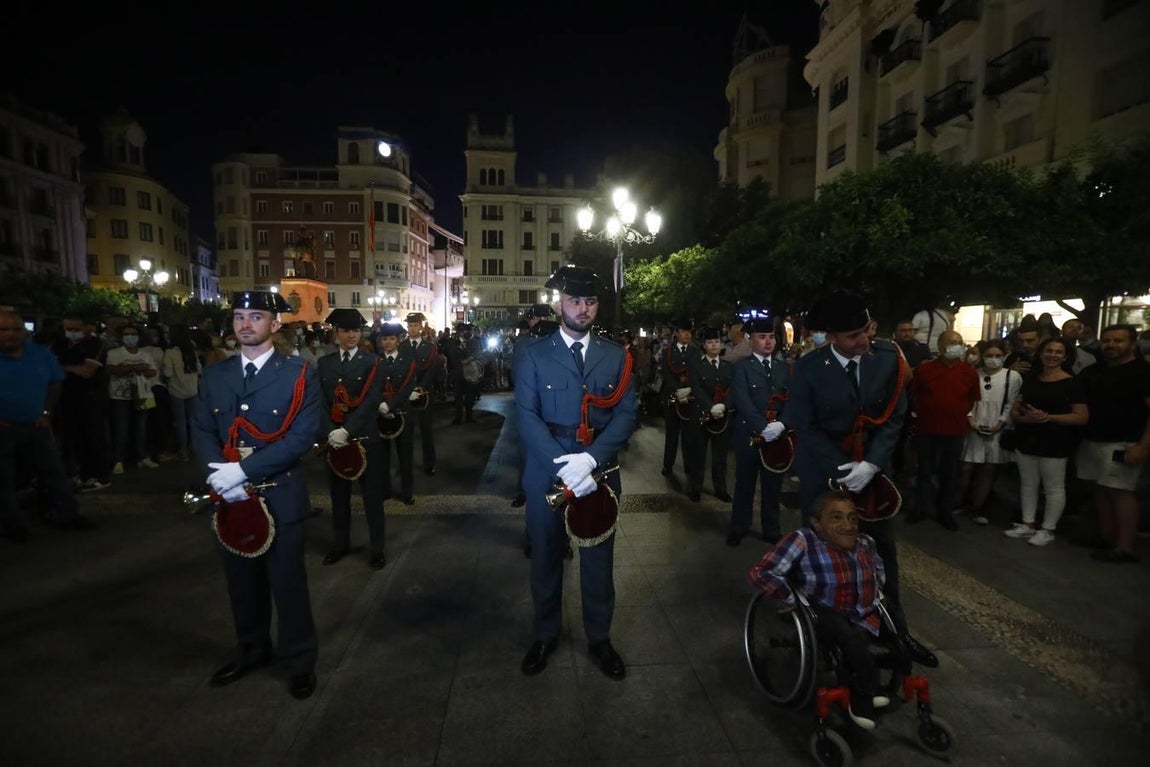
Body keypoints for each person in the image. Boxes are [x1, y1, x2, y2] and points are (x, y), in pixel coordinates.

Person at [786, 291, 937, 667]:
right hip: (824, 471)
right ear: (832, 337)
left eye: (866, 331)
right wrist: (843, 468)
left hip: (871, 472)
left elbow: (896, 415)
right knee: (823, 555)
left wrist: (871, 464)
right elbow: (803, 424)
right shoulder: (808, 368)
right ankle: (828, 636)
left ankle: (896, 634)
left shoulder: (886, 359)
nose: (864, 341)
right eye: (853, 336)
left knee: (882, 552)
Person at [190, 291, 321, 701]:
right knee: (241, 582)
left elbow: (302, 436)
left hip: (278, 494)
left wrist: (242, 471)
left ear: (275, 325)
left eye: (256, 316)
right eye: (240, 316)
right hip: (229, 495)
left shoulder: (299, 373)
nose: (245, 324)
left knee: (288, 584)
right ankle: (252, 650)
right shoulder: (214, 376)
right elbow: (200, 430)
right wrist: (220, 477)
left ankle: (300, 660)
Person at [515, 265, 638, 681]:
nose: (582, 309)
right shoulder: (533, 353)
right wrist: (564, 464)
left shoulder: (615, 355)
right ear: (558, 304)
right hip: (548, 467)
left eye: (589, 301)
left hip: (599, 469)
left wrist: (591, 459)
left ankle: (600, 639)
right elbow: (526, 416)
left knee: (598, 560)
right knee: (546, 557)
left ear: (597, 306)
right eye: (574, 301)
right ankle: (546, 634)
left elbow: (626, 414)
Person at [749, 489, 890, 730]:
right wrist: (788, 598)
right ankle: (863, 696)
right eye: (836, 518)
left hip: (860, 612)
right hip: (820, 610)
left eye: (853, 518)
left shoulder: (866, 543)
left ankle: (858, 683)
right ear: (817, 523)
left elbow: (877, 567)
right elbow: (762, 572)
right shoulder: (803, 540)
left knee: (891, 638)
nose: (848, 525)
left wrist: (877, 590)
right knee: (850, 638)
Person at [0, 310, 96, 541]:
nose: (11, 334)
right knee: (4, 479)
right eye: (4, 330)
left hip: (36, 425)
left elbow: (55, 382)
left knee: (54, 471)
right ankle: (14, 525)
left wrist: (46, 412)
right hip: (3, 428)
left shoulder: (40, 354)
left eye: (16, 329)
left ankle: (67, 514)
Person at [316, 308, 387, 569]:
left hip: (364, 439)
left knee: (372, 498)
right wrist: (330, 432)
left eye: (356, 330)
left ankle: (377, 549)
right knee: (339, 497)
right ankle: (340, 544)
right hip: (335, 441)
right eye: (346, 331)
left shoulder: (372, 362)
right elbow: (320, 402)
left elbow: (371, 400)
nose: (352, 336)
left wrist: (347, 431)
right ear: (336, 333)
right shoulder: (325, 364)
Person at [1003, 336, 1088, 547]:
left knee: (1053, 487)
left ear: (1065, 356)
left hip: (1055, 442)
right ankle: (1027, 523)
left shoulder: (1071, 383)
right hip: (1027, 438)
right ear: (1041, 354)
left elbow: (1081, 416)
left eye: (1058, 352)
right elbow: (1017, 407)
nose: (1052, 355)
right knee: (1028, 483)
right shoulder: (1032, 379)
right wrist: (1023, 417)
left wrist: (1047, 417)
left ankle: (1048, 529)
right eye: (1049, 351)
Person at [1075, 325, 1150, 563]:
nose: (1111, 345)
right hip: (1092, 440)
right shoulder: (1093, 371)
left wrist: (1142, 447)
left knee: (1121, 493)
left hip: (1124, 443)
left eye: (1118, 341)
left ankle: (1125, 547)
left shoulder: (1144, 372)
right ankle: (1107, 536)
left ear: (1132, 343)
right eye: (1107, 340)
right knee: (1100, 489)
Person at [906, 330, 981, 530]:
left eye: (959, 342)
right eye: (952, 342)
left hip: (955, 431)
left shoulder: (969, 372)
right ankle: (920, 507)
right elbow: (914, 395)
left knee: (949, 473)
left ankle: (944, 511)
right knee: (924, 471)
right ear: (940, 346)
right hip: (927, 429)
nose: (957, 346)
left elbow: (972, 399)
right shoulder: (925, 370)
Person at [727, 315, 791, 545]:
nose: (768, 342)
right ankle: (739, 526)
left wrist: (781, 425)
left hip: (777, 435)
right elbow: (742, 401)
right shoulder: (741, 367)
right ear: (751, 340)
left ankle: (771, 528)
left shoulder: (784, 368)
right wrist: (764, 428)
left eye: (771, 337)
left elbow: (791, 400)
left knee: (773, 484)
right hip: (749, 434)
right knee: (745, 482)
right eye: (762, 337)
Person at [955, 340, 1022, 525]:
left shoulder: (1012, 376)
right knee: (966, 466)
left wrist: (1000, 423)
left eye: (998, 356)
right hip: (974, 423)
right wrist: (971, 420)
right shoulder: (973, 374)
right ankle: (958, 502)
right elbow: (965, 400)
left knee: (989, 468)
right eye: (989, 356)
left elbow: (1011, 402)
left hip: (997, 425)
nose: (993, 359)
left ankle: (978, 507)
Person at [51, 314, 112, 491]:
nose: (72, 333)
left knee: (93, 437)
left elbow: (87, 371)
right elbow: (51, 365)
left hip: (91, 398)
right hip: (67, 397)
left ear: (87, 327)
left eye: (76, 329)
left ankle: (99, 475)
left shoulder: (96, 345)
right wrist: (71, 368)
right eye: (69, 329)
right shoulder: (60, 344)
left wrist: (63, 367)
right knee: (72, 438)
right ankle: (78, 473)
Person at [688, 326, 734, 504]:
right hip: (701, 415)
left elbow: (733, 390)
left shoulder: (728, 367)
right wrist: (710, 407)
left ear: (721, 344)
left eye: (716, 342)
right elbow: (696, 388)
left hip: (722, 417)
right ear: (704, 346)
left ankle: (720, 489)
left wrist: (724, 406)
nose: (714, 345)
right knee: (698, 454)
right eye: (710, 342)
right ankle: (695, 488)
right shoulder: (696, 365)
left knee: (720, 456)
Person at [106, 323, 159, 474]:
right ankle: (118, 460)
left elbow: (152, 372)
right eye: (127, 334)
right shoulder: (115, 353)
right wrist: (136, 368)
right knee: (121, 429)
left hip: (142, 395)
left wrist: (129, 370)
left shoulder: (145, 355)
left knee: (140, 428)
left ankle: (141, 457)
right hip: (119, 397)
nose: (130, 337)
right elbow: (112, 369)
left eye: (133, 334)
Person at [375, 321, 417, 505]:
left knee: (405, 456)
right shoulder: (375, 361)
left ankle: (407, 492)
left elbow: (408, 387)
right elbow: (371, 387)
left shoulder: (407, 360)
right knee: (382, 456)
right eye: (384, 339)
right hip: (380, 414)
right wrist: (381, 406)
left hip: (402, 413)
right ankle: (384, 490)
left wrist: (390, 405)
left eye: (391, 338)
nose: (388, 343)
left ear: (398, 340)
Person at [659, 318, 698, 479]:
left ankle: (689, 466)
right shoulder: (669, 351)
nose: (687, 335)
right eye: (683, 332)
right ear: (677, 333)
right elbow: (666, 374)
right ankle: (668, 465)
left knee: (689, 436)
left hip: (690, 398)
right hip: (673, 398)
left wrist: (688, 390)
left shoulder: (696, 352)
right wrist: (677, 391)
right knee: (672, 435)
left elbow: (698, 374)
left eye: (689, 332)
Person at [402, 312, 438, 478]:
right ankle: (405, 465)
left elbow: (431, 371)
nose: (412, 329)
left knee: (426, 432)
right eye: (410, 326)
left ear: (421, 327)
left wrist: (419, 389)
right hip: (405, 394)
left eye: (415, 325)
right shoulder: (401, 346)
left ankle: (429, 463)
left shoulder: (429, 347)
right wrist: (408, 390)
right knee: (406, 433)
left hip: (424, 395)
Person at [162, 325, 202, 462]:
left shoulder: (170, 352)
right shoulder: (191, 351)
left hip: (176, 390)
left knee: (180, 423)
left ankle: (183, 451)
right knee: (193, 422)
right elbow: (199, 369)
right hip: (193, 390)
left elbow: (167, 372)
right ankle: (195, 448)